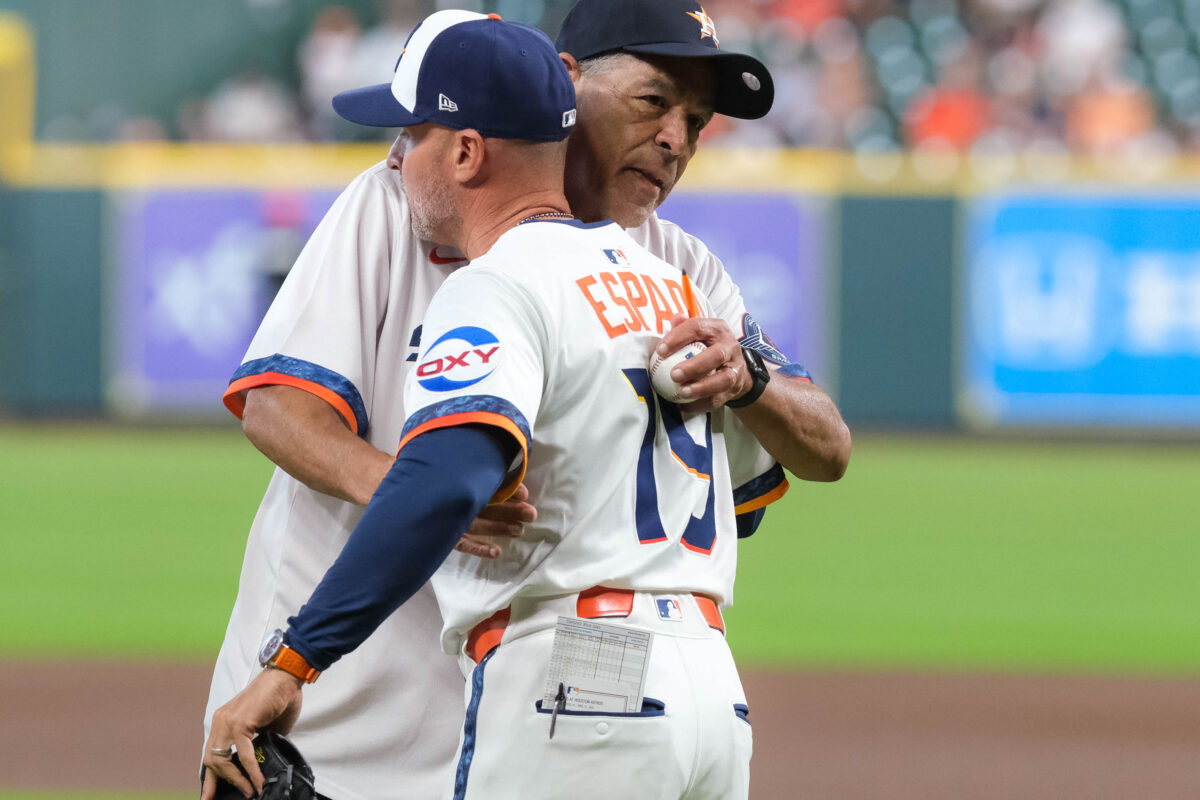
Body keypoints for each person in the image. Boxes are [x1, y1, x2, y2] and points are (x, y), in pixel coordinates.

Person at [203, 1, 851, 798]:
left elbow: (825, 444)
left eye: (697, 119)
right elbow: (277, 403)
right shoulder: (399, 198)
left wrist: (752, 381)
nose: (677, 139)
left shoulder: (679, 268)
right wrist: (410, 490)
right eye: (655, 102)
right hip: (354, 706)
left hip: (527, 698)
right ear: (569, 84)